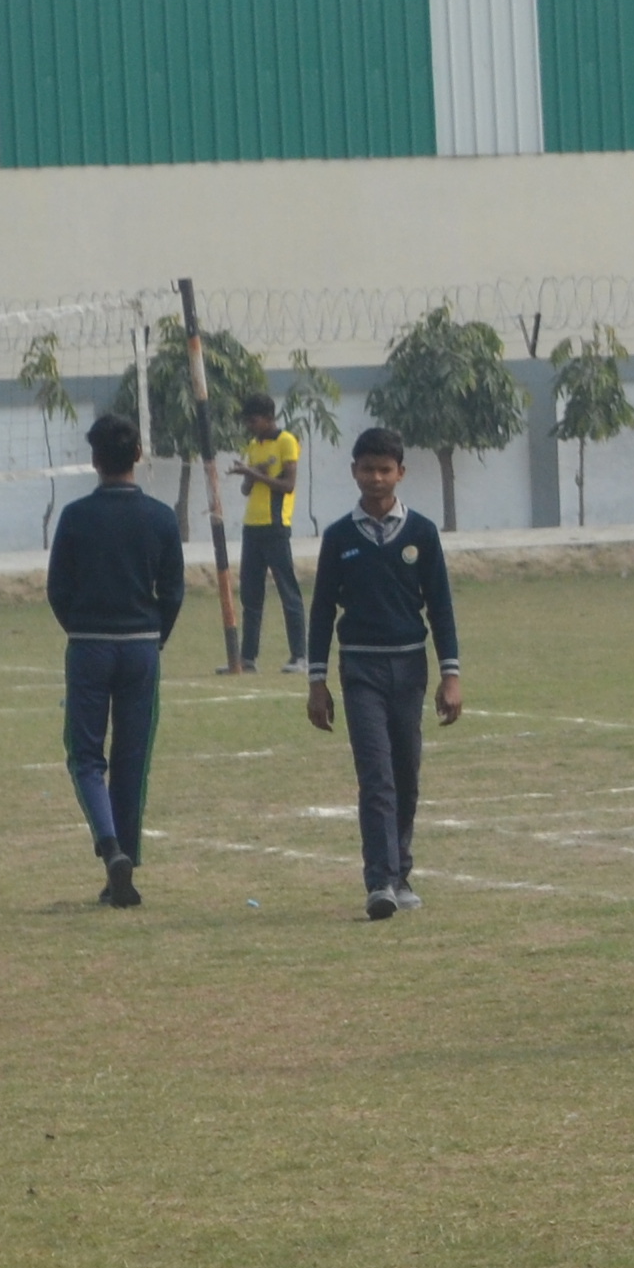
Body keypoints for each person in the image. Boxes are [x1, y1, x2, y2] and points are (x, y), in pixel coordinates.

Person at [306, 427, 463, 923]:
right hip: (360, 668)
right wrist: (316, 682)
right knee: (375, 775)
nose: (376, 478)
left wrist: (451, 674)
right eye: (367, 469)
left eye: (385, 469)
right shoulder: (339, 537)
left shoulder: (421, 533)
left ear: (400, 473)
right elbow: (321, 611)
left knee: (405, 774)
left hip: (409, 667)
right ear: (354, 471)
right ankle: (380, 881)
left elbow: (440, 606)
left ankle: (401, 873)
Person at [49, 409, 186, 907]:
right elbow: (173, 590)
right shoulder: (161, 516)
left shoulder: (75, 516)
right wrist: (155, 636)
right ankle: (126, 859)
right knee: (133, 758)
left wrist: (80, 626)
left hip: (90, 645)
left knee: (86, 755)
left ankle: (110, 850)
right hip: (141, 646)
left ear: (94, 459)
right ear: (139, 455)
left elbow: (57, 588)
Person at [229, 392, 304, 674]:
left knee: (288, 591)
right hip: (252, 526)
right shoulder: (253, 445)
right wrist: (250, 473)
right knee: (251, 594)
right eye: (247, 421)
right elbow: (246, 489)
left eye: (253, 420)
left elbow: (288, 486)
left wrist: (255, 473)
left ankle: (299, 656)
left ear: (269, 417)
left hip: (275, 525)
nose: (250, 426)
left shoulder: (286, 441)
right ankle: (248, 658)